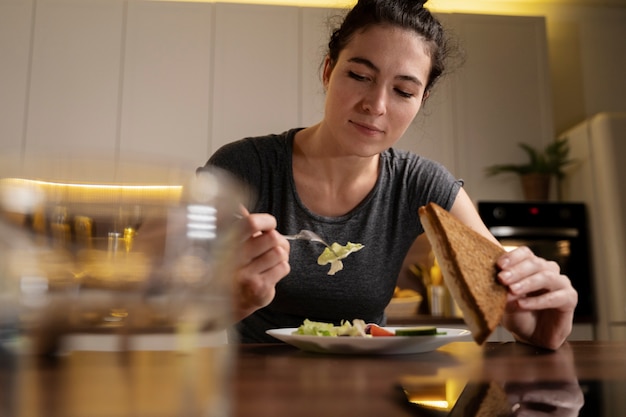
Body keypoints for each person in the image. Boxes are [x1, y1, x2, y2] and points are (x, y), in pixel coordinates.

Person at [199, 0, 577, 349]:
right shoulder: (242, 167)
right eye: (360, 75)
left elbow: (506, 300)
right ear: (329, 70)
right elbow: (173, 307)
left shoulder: (422, 184)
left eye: (403, 91)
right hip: (254, 389)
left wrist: (538, 323)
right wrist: (232, 300)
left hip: (374, 392)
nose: (375, 106)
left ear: (422, 100)